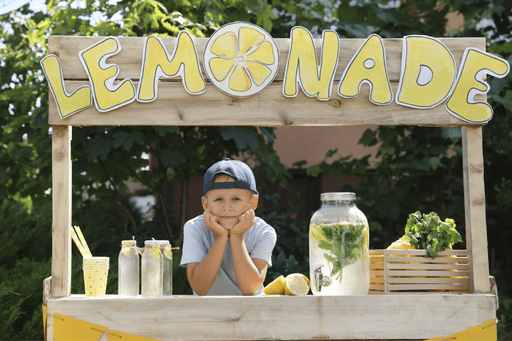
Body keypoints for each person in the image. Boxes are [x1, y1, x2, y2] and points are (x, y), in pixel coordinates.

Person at [180, 158, 277, 295]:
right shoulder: (194, 228)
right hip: (206, 312)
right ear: (206, 204)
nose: (227, 208)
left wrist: (237, 236)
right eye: (218, 199)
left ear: (252, 203)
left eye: (236, 199)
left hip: (250, 312)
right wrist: (221, 237)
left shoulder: (264, 232)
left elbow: (250, 289)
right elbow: (199, 288)